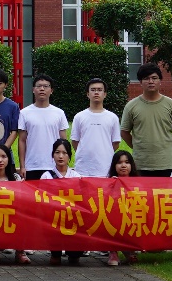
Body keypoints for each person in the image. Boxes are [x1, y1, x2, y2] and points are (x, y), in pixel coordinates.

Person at [120, 63, 172, 177]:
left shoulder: (171, 104)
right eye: (146, 78)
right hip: (140, 164)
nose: (151, 81)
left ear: (160, 81)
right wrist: (137, 147)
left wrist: (168, 147)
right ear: (140, 82)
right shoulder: (131, 106)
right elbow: (124, 132)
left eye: (154, 78)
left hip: (166, 164)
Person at [17, 74, 69, 180]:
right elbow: (22, 140)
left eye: (46, 86)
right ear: (33, 89)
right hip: (32, 166)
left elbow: (64, 140)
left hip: (54, 166)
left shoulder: (59, 113)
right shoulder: (24, 113)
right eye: (38, 86)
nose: (42, 89)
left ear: (51, 90)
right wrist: (22, 166)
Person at [41, 138, 83, 266]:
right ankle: (55, 252)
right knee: (55, 260)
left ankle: (73, 252)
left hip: (72, 217)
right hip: (53, 217)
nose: (60, 156)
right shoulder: (46, 176)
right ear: (52, 155)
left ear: (69, 156)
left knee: (75, 259)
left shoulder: (76, 177)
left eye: (64, 153)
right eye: (57, 152)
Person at [70, 78, 121, 178]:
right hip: (83, 169)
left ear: (105, 94)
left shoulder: (112, 117)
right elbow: (75, 141)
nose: (96, 92)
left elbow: (115, 143)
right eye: (93, 90)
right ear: (88, 94)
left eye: (99, 90)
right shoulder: (79, 117)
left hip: (105, 168)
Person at [106, 151, 140, 267]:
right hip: (115, 218)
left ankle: (129, 250)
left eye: (127, 162)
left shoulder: (139, 183)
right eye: (119, 162)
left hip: (132, 217)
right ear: (114, 166)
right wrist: (111, 185)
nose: (123, 165)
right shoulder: (109, 181)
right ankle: (113, 252)